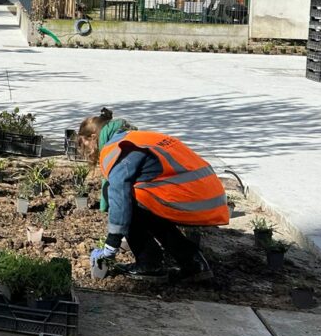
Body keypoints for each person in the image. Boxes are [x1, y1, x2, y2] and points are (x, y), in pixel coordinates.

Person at [78, 107, 227, 281]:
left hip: (192, 198)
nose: (87, 152)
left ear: (93, 138)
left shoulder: (117, 148)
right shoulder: (137, 137)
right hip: (210, 196)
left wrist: (112, 243)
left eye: (84, 144)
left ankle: (149, 263)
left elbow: (119, 197)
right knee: (148, 207)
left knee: (131, 202)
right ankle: (194, 262)